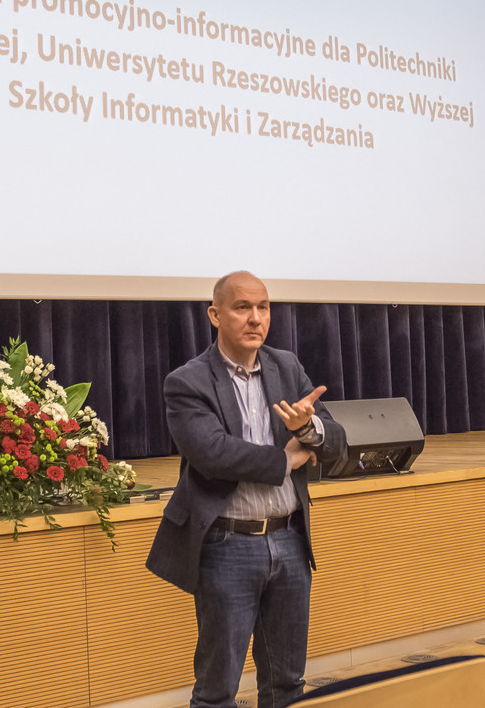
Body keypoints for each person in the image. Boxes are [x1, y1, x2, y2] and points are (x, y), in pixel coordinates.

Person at [147, 271, 347, 708]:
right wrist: (287, 458)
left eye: (264, 307)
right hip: (227, 544)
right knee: (218, 690)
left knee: (287, 683)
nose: (256, 318)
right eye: (242, 307)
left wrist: (308, 430)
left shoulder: (286, 366)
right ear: (215, 315)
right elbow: (214, 454)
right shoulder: (188, 381)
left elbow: (336, 440)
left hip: (290, 539)